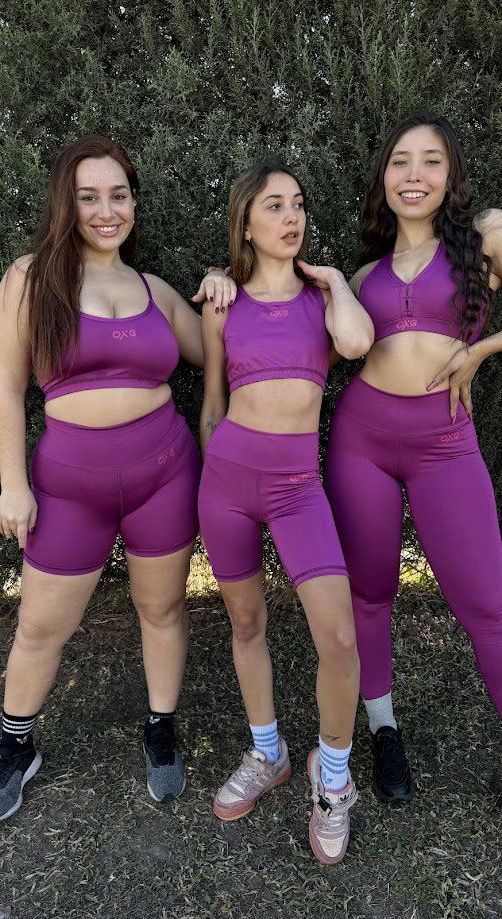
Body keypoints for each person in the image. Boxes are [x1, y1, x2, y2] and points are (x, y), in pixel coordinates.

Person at [0, 135, 234, 821]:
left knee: (162, 608)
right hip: (69, 489)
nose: (105, 210)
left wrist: (221, 284)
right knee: (40, 625)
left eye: (118, 195)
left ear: (133, 203)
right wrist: (13, 485)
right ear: (65, 204)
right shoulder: (30, 279)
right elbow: (5, 388)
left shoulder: (153, 290)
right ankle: (15, 745)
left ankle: (160, 726)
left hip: (165, 476)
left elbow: (217, 346)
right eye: (88, 197)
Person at [319, 111, 502, 803]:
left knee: (487, 603)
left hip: (445, 444)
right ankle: (382, 729)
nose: (414, 174)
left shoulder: (485, 236)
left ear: (450, 174)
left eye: (430, 160)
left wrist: (481, 351)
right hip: (360, 441)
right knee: (369, 593)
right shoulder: (364, 272)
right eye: (400, 160)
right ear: (383, 177)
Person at [198, 160, 374, 864]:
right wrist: (211, 474)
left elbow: (356, 344)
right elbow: (212, 404)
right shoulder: (222, 302)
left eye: (297, 203)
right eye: (273, 206)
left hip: (298, 487)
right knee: (246, 622)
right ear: (245, 222)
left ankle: (333, 778)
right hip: (226, 483)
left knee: (339, 637)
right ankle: (267, 752)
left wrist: (335, 282)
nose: (290, 216)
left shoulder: (325, 298)